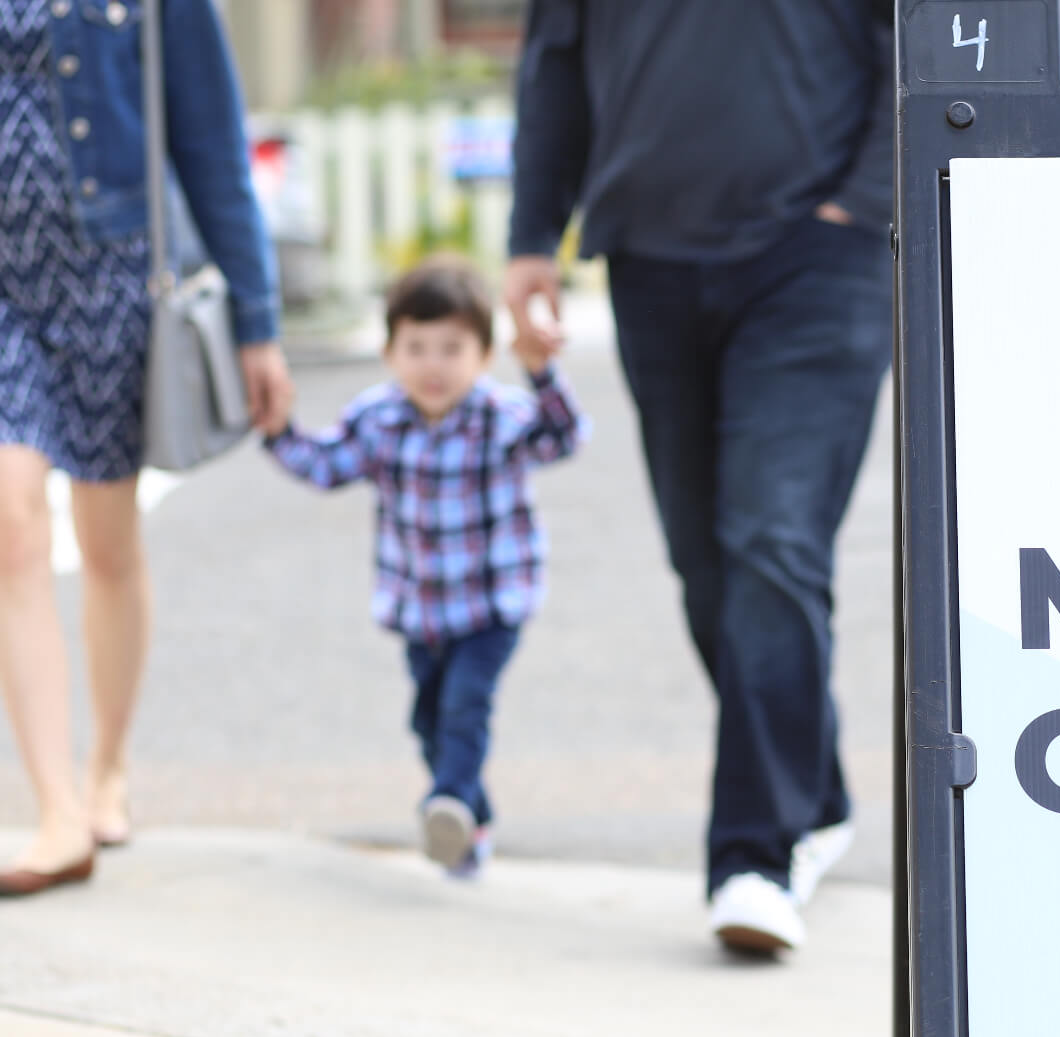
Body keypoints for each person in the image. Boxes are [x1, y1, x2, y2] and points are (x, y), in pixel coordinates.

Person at [505, 0, 894, 954]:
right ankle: (815, 791)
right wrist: (530, 239)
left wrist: (869, 200)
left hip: (818, 259)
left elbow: (915, 41)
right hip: (650, 261)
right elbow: (555, 63)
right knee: (706, 565)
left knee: (770, 539)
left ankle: (756, 856)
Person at [0, 0, 293, 899]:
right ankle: (57, 814)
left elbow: (211, 141)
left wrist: (258, 321)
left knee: (107, 541)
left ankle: (107, 767)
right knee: (13, 533)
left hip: (113, 276)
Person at [259, 257, 589, 879]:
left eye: (452, 348)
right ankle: (469, 822)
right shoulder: (379, 419)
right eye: (416, 347)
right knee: (430, 721)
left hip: (491, 603)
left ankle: (451, 803)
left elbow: (564, 438)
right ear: (389, 353)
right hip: (419, 607)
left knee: (466, 706)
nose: (433, 366)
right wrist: (280, 433)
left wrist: (542, 372)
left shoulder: (500, 416)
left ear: (484, 355)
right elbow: (326, 465)